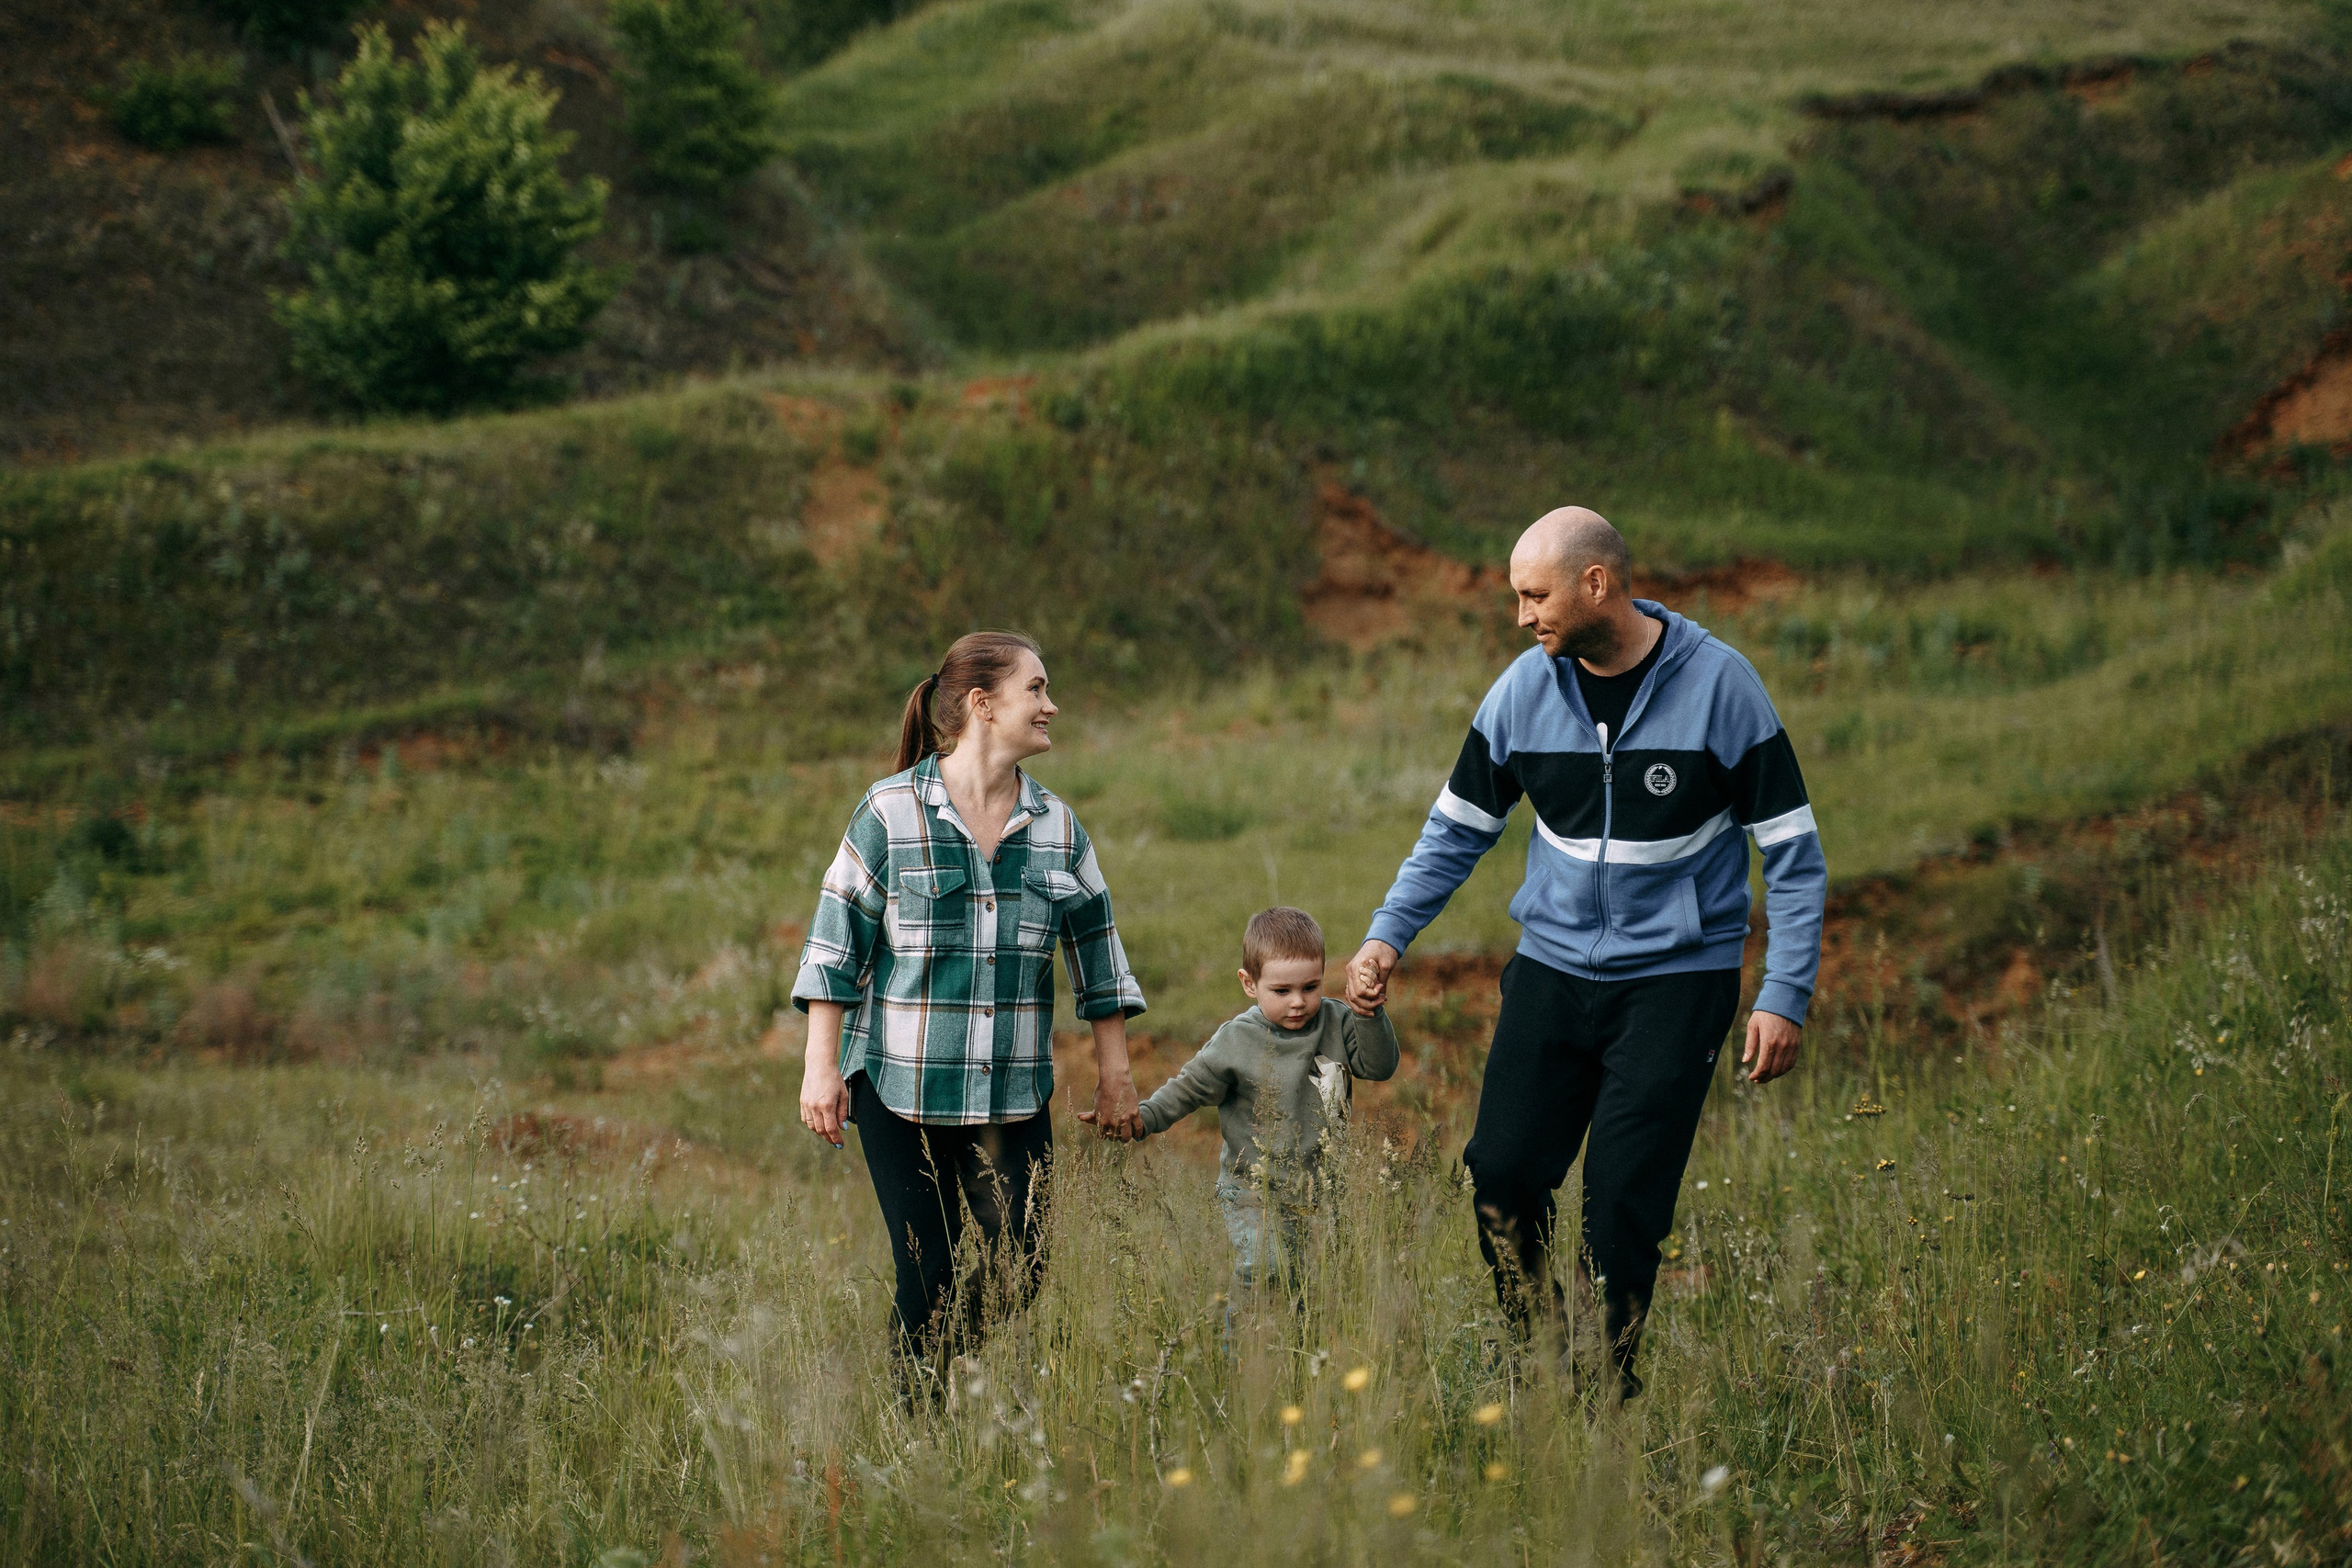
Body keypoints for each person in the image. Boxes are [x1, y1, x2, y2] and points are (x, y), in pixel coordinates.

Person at [1347, 508, 1825, 1404]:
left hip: (1678, 979)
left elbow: (1793, 853)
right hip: (1553, 969)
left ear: (1595, 583)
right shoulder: (1522, 693)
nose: (1522, 616)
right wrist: (1386, 932)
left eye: (1535, 595)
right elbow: (1455, 831)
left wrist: (1782, 992)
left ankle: (1605, 1395)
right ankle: (1541, 1361)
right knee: (1501, 1174)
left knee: (1621, 1199)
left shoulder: (1721, 688)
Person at [794, 630, 1147, 1396]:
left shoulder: (1057, 827)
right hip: (900, 1087)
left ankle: (937, 1368)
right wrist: (822, 1068)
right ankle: (918, 1424)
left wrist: (1115, 1074)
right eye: (1037, 689)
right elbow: (834, 945)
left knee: (1027, 1264)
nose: (1051, 705)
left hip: (1012, 1095)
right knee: (928, 1271)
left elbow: (1100, 956)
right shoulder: (890, 811)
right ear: (983, 704)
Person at [1102, 908, 1398, 1296]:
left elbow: (1379, 1067)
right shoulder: (1236, 1041)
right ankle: (1242, 1335)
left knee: (1315, 1289)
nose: (1298, 1002)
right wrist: (1143, 1118)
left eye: (1310, 987)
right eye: (1282, 991)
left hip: (1324, 1192)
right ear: (1249, 983)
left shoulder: (1338, 1022)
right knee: (1265, 1270)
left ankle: (1296, 1337)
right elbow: (1188, 1088)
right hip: (1252, 1192)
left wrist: (1368, 1013)